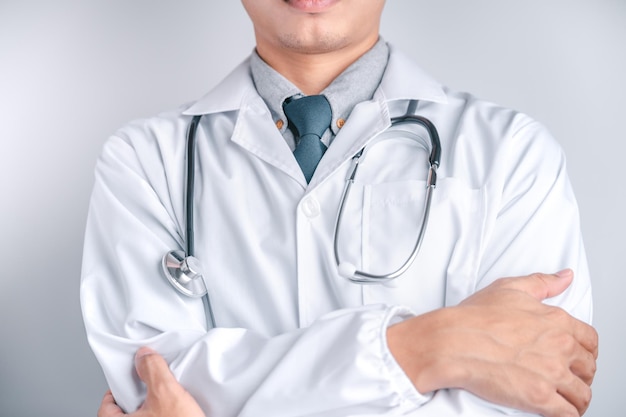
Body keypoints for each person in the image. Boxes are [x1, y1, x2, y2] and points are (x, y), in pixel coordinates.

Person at [82, 1, 598, 416]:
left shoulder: (513, 152)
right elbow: (149, 381)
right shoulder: (144, 160)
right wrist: (426, 348)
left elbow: (535, 394)